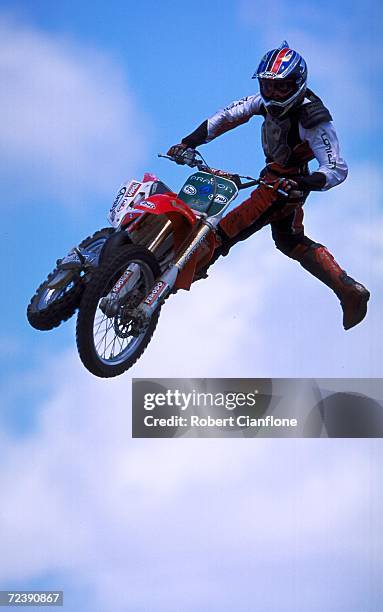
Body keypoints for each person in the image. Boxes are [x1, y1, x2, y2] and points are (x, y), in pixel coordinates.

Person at [167, 41, 370, 330]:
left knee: (224, 231)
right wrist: (188, 142)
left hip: (285, 186)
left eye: (281, 88)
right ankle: (348, 290)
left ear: (297, 85)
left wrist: (299, 183)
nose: (273, 93)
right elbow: (226, 116)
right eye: (268, 86)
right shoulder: (263, 101)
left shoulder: (313, 119)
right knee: (288, 240)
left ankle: (170, 282)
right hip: (273, 178)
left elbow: (336, 169)